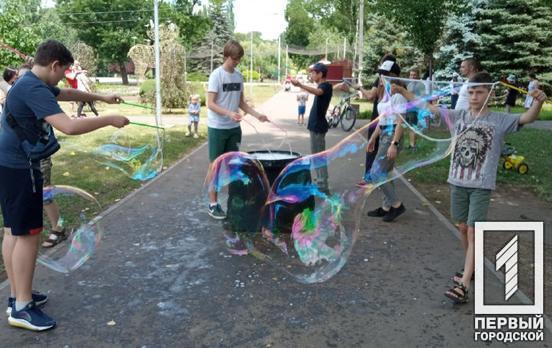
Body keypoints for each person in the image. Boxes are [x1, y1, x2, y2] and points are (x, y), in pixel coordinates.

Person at [0, 40, 129, 331]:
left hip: (8, 164)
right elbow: (68, 126)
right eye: (63, 70)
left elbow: (67, 92)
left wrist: (102, 97)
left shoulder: (29, 81)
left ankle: (16, 295)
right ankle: (22, 307)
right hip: (22, 167)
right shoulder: (33, 87)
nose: (63, 77)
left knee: (13, 231)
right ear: (54, 65)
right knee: (29, 235)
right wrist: (109, 120)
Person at [396, 71, 547, 303]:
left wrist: (538, 102)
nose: (474, 97)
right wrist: (403, 91)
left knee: (475, 230)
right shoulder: (459, 116)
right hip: (457, 181)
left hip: (481, 186)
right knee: (463, 229)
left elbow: (528, 118)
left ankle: (464, 284)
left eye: (479, 92)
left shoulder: (499, 120)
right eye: (471, 92)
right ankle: (472, 266)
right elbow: (429, 108)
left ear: (490, 93)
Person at [206, 39, 269, 219]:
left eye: (238, 59)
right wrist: (228, 113)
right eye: (234, 59)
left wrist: (258, 115)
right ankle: (213, 204)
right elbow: (210, 103)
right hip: (218, 128)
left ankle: (234, 201)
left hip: (234, 128)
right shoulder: (216, 76)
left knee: (233, 166)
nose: (236, 62)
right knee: (215, 166)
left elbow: (241, 103)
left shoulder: (238, 76)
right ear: (226, 56)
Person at [365, 60, 407, 223]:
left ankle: (397, 205)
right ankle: (386, 207)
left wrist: (394, 144)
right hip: (383, 133)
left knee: (376, 173)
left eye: (385, 74)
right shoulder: (386, 93)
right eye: (380, 74)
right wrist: (373, 138)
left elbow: (400, 122)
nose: (381, 77)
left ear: (394, 75)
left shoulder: (398, 95)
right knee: (386, 173)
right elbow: (382, 120)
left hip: (391, 136)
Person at [349, 54, 399, 186]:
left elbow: (371, 96)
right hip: (383, 120)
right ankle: (380, 179)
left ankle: (370, 178)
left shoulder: (385, 81)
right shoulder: (393, 82)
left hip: (381, 120)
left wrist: (359, 88)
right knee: (379, 149)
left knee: (373, 149)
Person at [291, 63, 332, 193]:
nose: (312, 75)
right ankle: (321, 181)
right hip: (315, 125)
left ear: (320, 74)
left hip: (318, 127)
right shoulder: (324, 85)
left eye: (314, 72)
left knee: (319, 156)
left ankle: (323, 185)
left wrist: (300, 85)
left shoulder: (324, 86)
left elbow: (319, 92)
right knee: (316, 155)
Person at [405, 69, 426, 151]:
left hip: (415, 109)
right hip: (408, 108)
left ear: (418, 76)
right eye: (411, 75)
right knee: (410, 127)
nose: (412, 76)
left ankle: (413, 145)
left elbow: (423, 96)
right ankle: (411, 144)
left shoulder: (421, 85)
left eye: (414, 75)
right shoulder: (409, 85)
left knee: (413, 126)